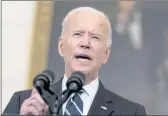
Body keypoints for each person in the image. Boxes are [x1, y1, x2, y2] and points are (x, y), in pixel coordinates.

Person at [3, 6, 147, 115]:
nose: (85, 43)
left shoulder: (132, 112)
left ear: (106, 54)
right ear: (61, 46)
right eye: (77, 34)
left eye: (95, 37)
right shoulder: (22, 102)